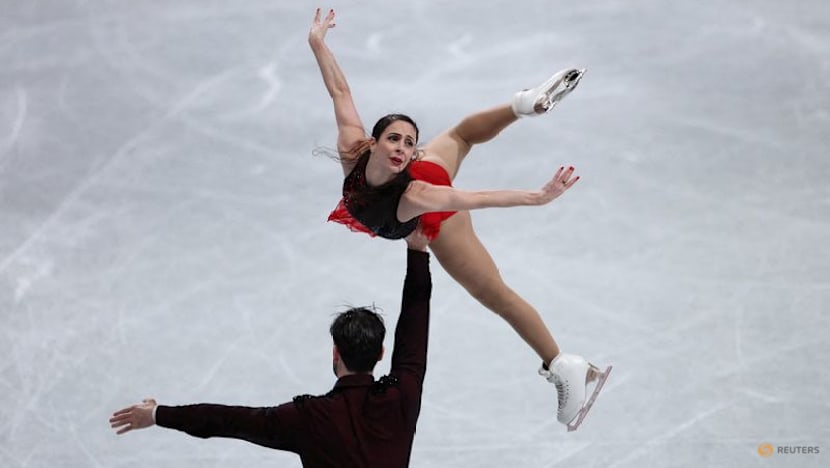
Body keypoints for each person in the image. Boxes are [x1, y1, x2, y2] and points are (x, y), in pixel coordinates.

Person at [308, 8, 611, 431]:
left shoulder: (417, 194)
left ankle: (563, 364)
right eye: (394, 139)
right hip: (425, 171)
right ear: (374, 142)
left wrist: (537, 198)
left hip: (434, 210)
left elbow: (472, 198)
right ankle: (521, 105)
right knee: (461, 136)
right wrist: (318, 43)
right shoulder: (353, 149)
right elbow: (340, 92)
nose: (400, 147)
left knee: (495, 295)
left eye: (408, 143)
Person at [109, 230, 433, 467]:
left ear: (335, 352)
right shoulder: (401, 395)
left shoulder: (310, 418)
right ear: (380, 353)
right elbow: (415, 325)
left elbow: (226, 420)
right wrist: (417, 250)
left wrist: (157, 414)